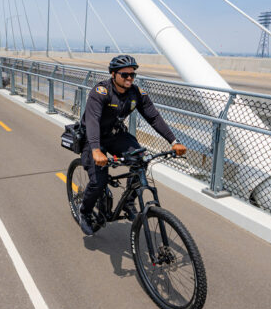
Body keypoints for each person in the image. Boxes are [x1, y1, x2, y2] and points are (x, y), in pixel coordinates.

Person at [75, 54, 187, 235]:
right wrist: (96, 149)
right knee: (98, 181)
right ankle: (85, 212)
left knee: (140, 160)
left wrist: (174, 141)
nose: (129, 78)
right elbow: (93, 121)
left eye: (132, 75)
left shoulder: (136, 93)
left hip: (116, 135)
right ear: (113, 75)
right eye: (124, 75)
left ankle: (128, 202)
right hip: (93, 138)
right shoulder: (101, 92)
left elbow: (153, 117)